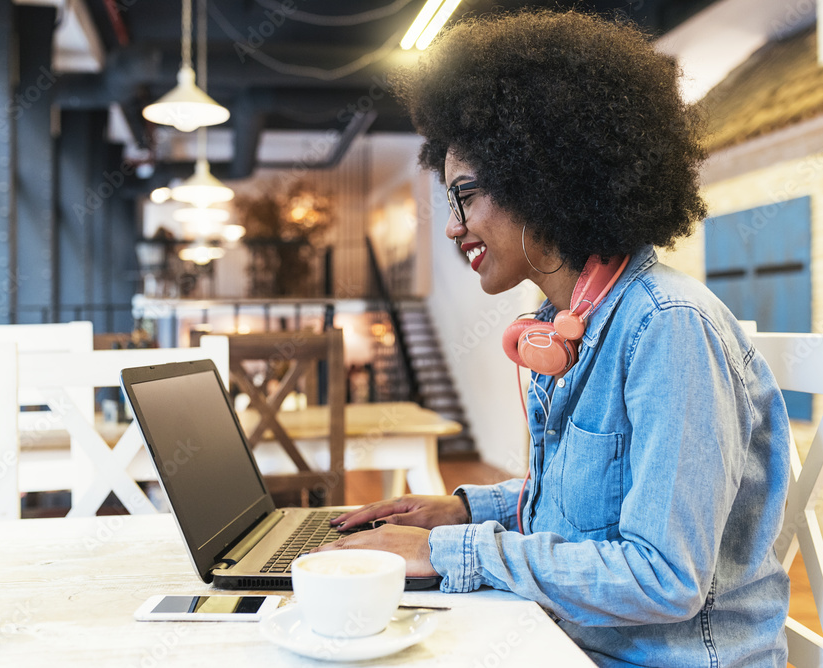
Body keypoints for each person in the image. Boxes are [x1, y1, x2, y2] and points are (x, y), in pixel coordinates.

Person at [312, 9, 791, 667]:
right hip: (572, 640)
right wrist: (459, 511)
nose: (454, 228)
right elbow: (587, 509)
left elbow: (663, 578)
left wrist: (452, 553)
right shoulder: (562, 327)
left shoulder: (669, 328)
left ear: (539, 179)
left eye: (465, 196)